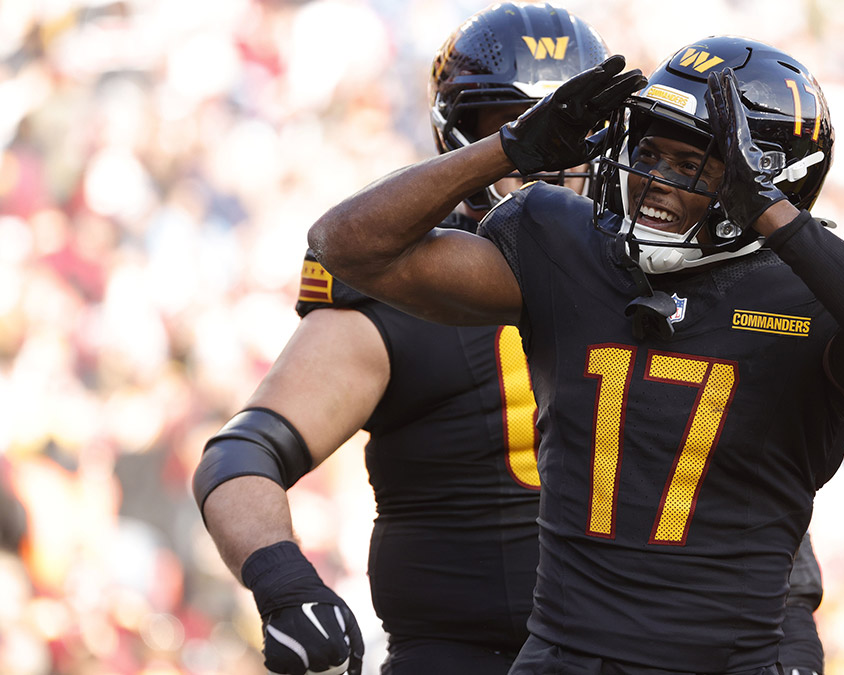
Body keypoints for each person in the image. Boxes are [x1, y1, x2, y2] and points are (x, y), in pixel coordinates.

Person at [310, 36, 844, 674]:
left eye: (693, 163)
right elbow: (345, 246)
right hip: (564, 659)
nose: (653, 180)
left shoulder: (824, 293)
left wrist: (775, 217)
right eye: (649, 153)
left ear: (768, 175)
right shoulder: (565, 245)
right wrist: (507, 149)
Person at [191, 5, 610, 674]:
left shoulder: (647, 267)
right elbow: (240, 457)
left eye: (569, 131)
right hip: (468, 655)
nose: (550, 157)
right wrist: (284, 584)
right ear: (461, 134)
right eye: (518, 131)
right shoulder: (401, 278)